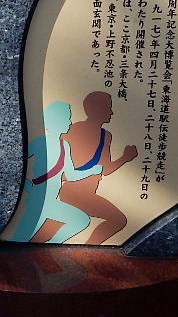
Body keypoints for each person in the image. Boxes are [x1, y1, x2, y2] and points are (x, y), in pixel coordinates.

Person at [8, 101, 101, 243]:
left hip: (49, 201)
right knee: (20, 237)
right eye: (67, 118)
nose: (70, 122)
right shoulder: (40, 142)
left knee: (80, 220)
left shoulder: (64, 145)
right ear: (56, 120)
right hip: (37, 199)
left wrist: (92, 170)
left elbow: (71, 175)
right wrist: (26, 185)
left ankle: (51, 246)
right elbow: (16, 163)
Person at [58, 91, 138, 245]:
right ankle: (86, 249)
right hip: (73, 191)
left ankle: (85, 249)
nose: (111, 112)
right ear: (95, 109)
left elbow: (105, 169)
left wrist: (125, 158)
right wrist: (125, 158)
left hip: (86, 192)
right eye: (108, 108)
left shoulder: (105, 136)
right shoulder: (73, 130)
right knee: (118, 220)